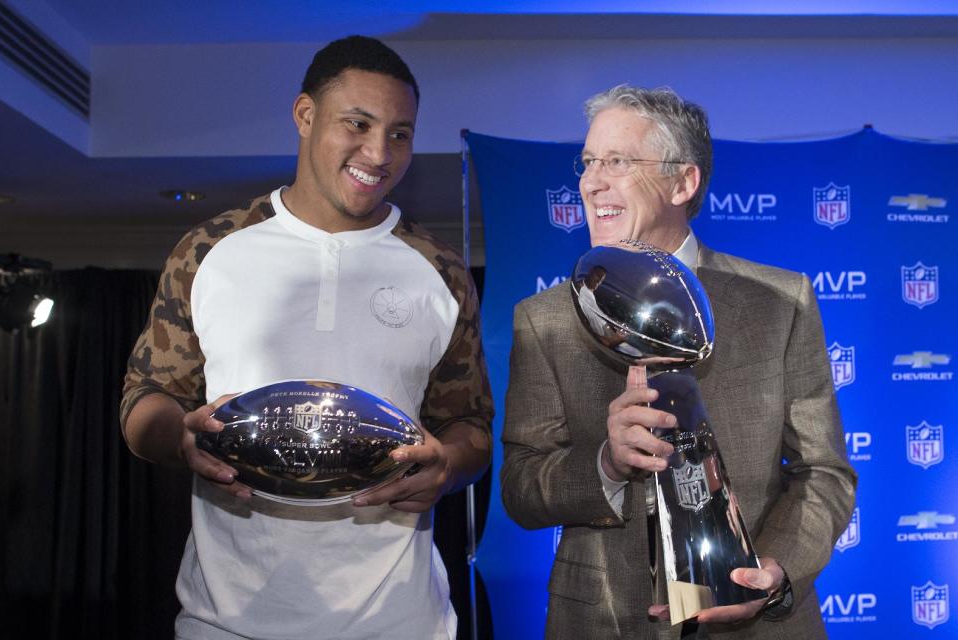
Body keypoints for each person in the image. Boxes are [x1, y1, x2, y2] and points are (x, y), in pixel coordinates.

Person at [120, 35, 493, 640]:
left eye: (400, 133)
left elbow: (471, 426)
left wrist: (447, 466)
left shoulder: (440, 270)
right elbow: (146, 399)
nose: (379, 151)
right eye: (358, 123)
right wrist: (178, 438)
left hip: (400, 621)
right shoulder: (210, 249)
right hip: (226, 620)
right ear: (305, 115)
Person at [500, 85, 856, 639]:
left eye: (618, 161)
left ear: (683, 182)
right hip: (602, 621)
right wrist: (606, 464)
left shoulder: (781, 301)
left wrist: (777, 567)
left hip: (757, 626)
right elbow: (522, 486)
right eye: (589, 162)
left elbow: (823, 472)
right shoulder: (542, 318)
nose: (592, 181)